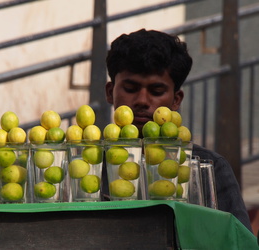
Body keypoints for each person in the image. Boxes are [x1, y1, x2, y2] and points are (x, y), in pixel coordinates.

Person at [103, 28, 252, 232]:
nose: (142, 101)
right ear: (110, 92)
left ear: (176, 100)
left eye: (156, 91)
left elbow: (236, 239)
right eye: (130, 89)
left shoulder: (209, 167)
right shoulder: (90, 163)